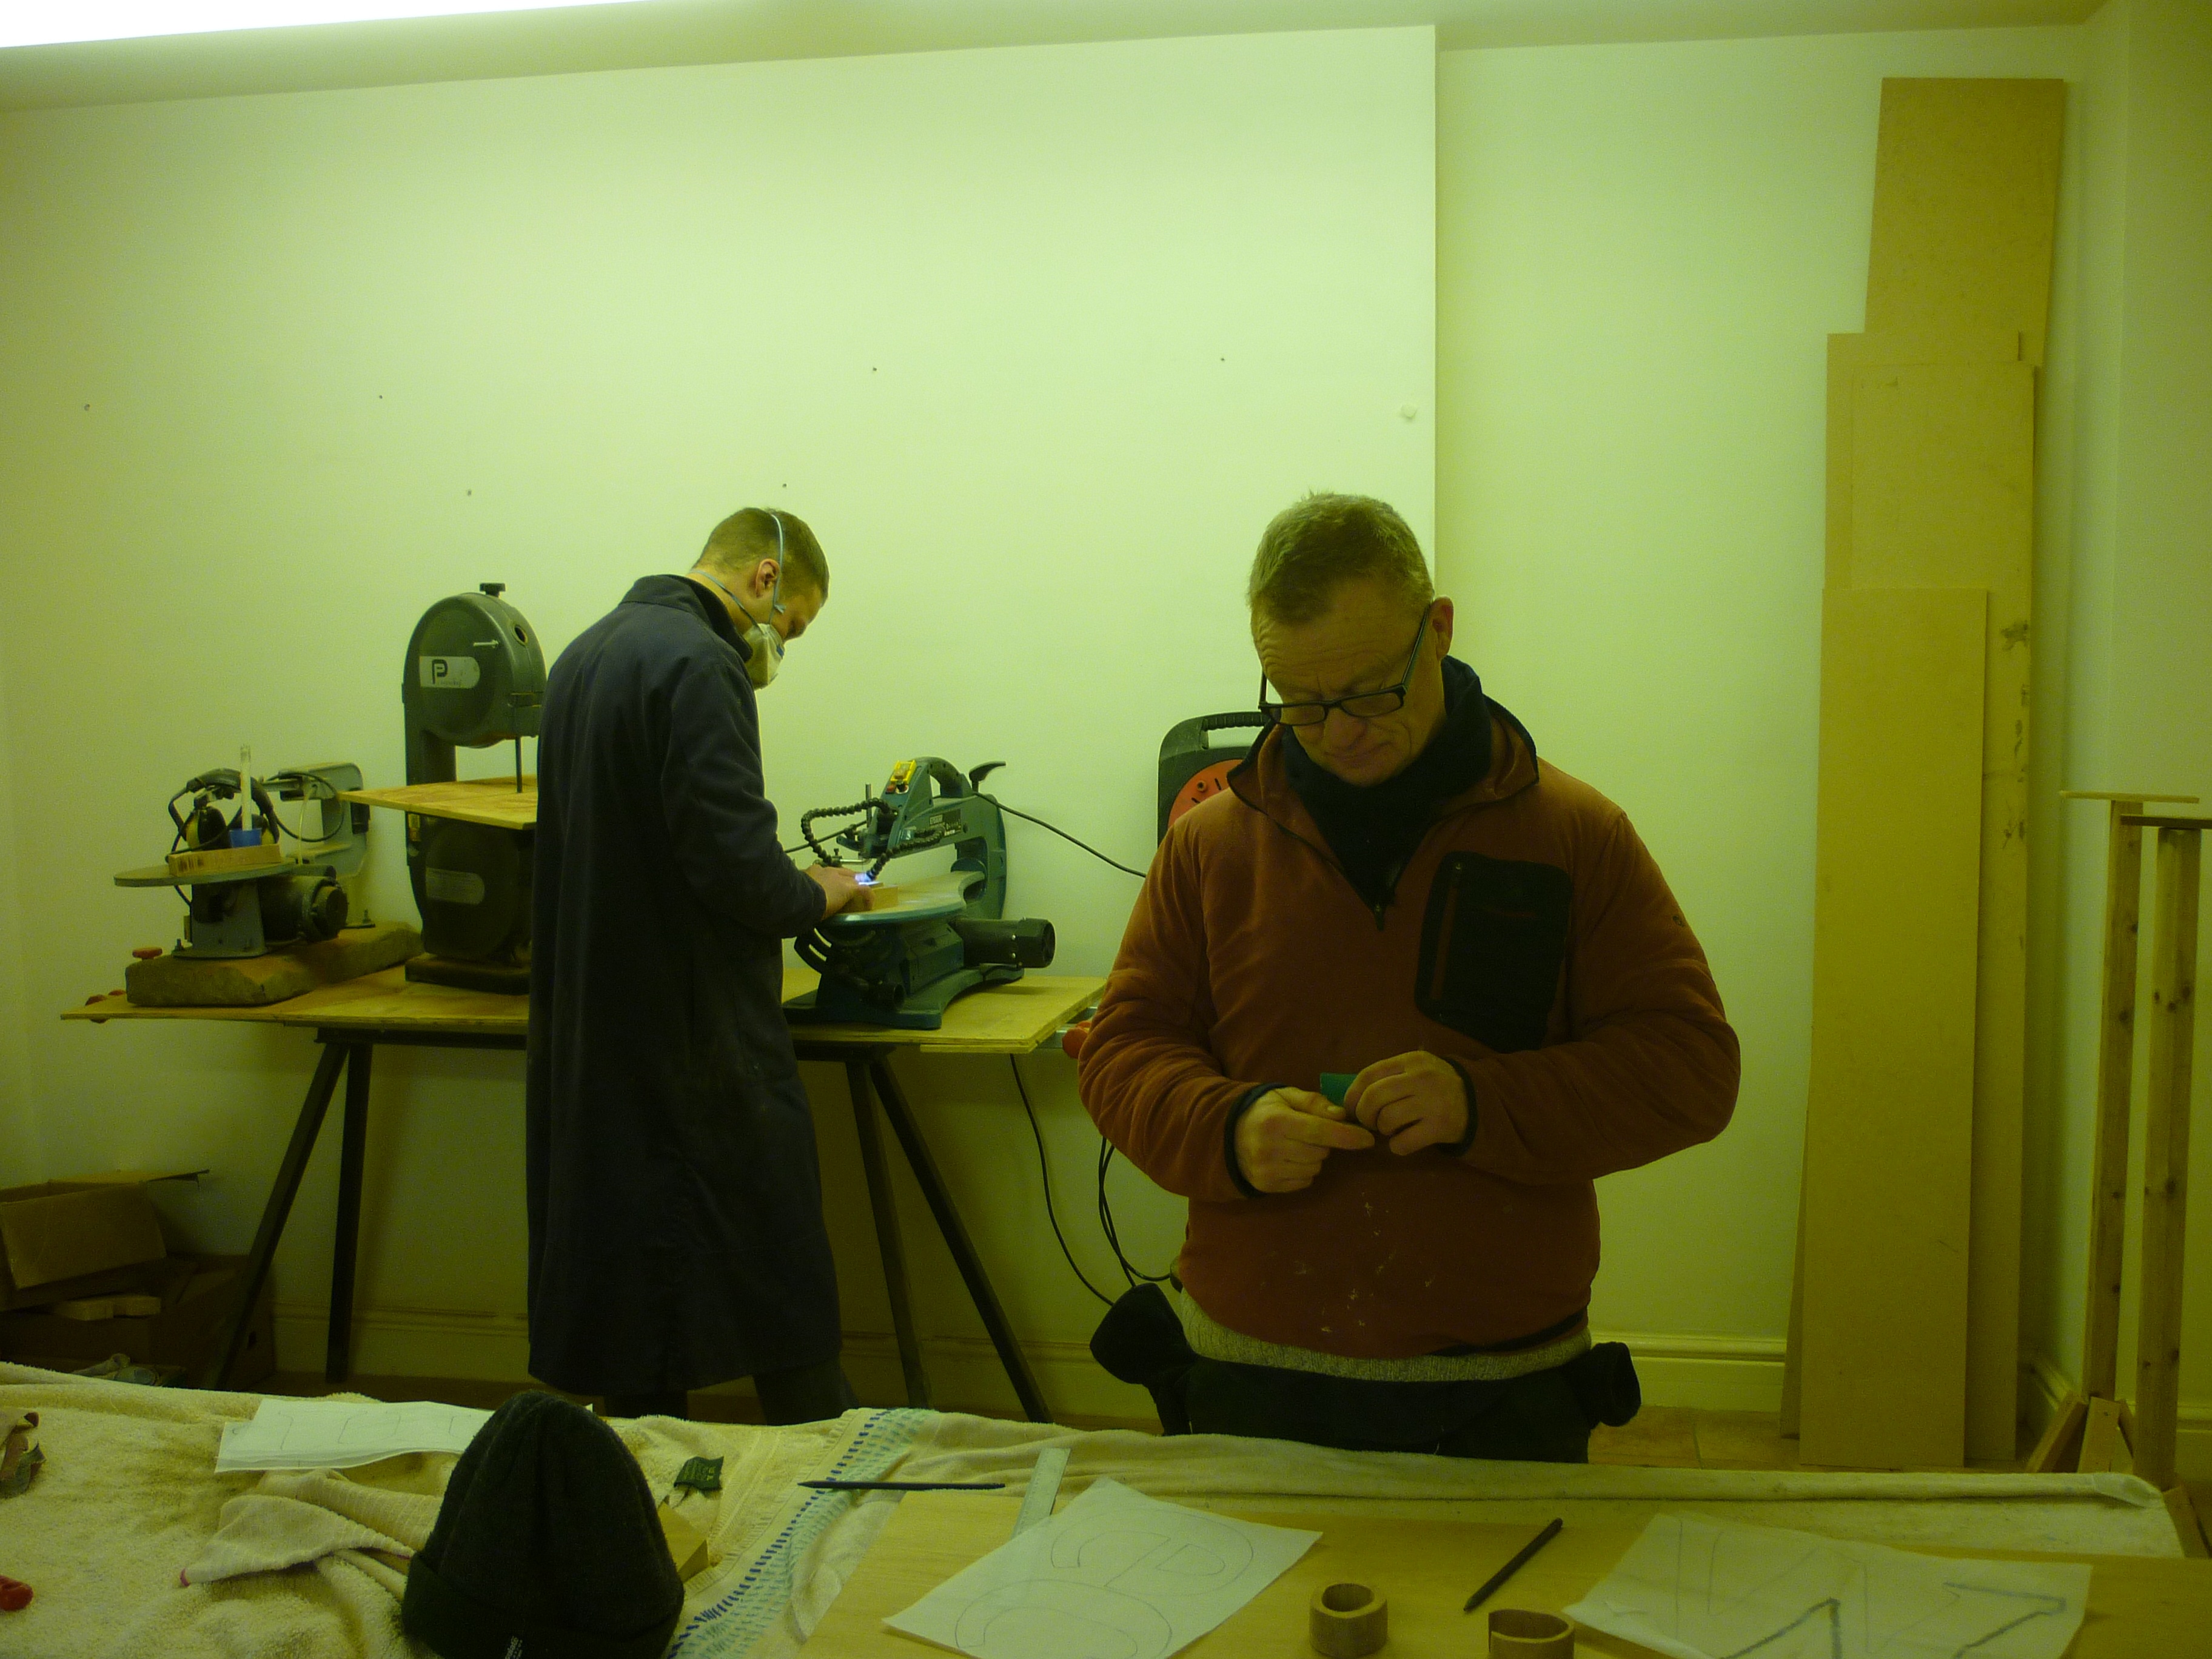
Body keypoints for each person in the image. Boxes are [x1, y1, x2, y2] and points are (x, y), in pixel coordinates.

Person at [1078, 493, 1740, 1461]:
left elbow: (1691, 1070)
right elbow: (1122, 1051)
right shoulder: (1209, 846)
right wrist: (1227, 1127)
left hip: (1503, 1387)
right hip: (1251, 1372)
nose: (1335, 731)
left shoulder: (1575, 833)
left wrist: (1483, 1102)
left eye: (1367, 693)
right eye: (1299, 702)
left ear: (1439, 630)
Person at [526, 506, 864, 1423]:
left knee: (633, 1295)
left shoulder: (584, 655)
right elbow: (734, 863)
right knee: (778, 1269)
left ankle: (645, 1475)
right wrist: (819, 892)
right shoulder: (702, 663)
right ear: (765, 578)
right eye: (792, 627)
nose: (779, 646)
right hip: (693, 1034)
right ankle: (826, 1456)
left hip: (600, 1029)